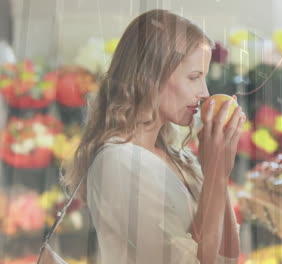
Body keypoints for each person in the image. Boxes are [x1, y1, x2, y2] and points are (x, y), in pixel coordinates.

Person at [63, 9, 244, 264]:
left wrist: (219, 172)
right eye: (194, 77)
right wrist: (215, 174)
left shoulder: (180, 157)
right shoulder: (118, 162)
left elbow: (228, 258)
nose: (205, 93)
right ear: (150, 77)